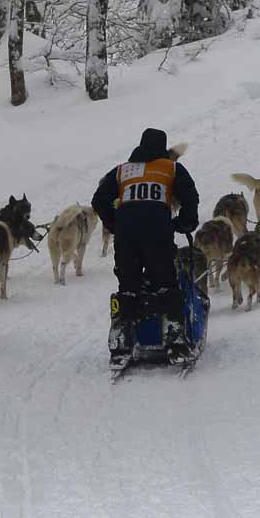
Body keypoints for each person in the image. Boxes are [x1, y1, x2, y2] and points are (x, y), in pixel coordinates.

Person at [91, 127, 199, 367]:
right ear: (162, 148)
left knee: (128, 286)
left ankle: (121, 341)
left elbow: (98, 200)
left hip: (126, 235)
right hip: (157, 231)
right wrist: (185, 223)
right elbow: (190, 196)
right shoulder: (171, 168)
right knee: (165, 285)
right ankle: (175, 341)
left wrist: (114, 223)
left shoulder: (121, 171)